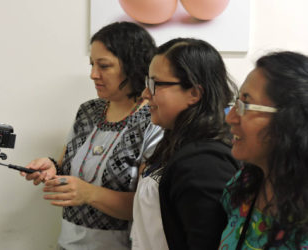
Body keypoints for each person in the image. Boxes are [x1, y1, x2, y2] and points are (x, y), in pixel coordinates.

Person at [21, 22, 163, 250]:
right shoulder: (88, 111)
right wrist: (50, 168)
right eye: (92, 65)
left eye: (104, 66)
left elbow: (148, 205)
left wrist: (90, 194)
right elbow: (64, 166)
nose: (93, 75)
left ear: (134, 67)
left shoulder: (154, 120)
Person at [130, 38, 239, 250]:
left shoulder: (205, 162)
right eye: (146, 83)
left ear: (194, 93)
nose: (145, 94)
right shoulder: (176, 139)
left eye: (155, 84)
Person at [219, 51, 308, 249]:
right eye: (237, 102)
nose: (230, 118)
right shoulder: (244, 184)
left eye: (246, 104)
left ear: (291, 120)